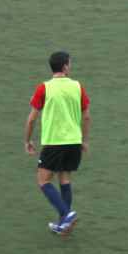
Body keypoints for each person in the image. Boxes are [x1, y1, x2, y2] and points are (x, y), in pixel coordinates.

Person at [24, 51, 90, 236]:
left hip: (54, 142)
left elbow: (31, 119)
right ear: (65, 67)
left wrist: (28, 140)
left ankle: (66, 214)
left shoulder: (44, 88)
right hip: (74, 142)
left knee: (43, 180)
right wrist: (84, 140)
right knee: (64, 178)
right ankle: (64, 224)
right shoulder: (78, 87)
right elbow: (87, 116)